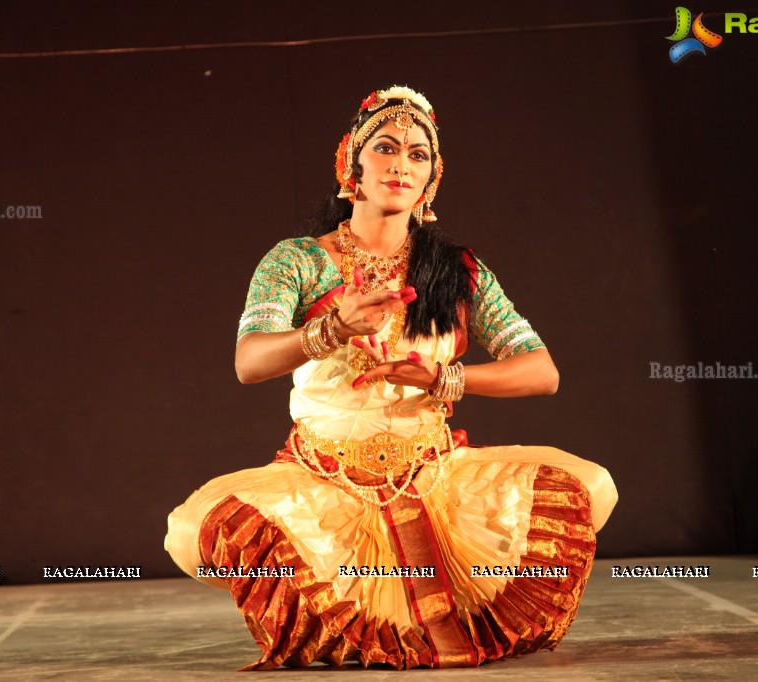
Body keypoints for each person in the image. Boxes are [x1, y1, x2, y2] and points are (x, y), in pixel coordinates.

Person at [165, 85, 617, 670]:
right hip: (325, 480)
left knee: (592, 487)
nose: (401, 164)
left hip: (435, 475)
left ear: (431, 180)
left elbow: (542, 371)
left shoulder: (458, 270)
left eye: (418, 154)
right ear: (352, 162)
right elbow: (248, 362)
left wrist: (446, 379)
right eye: (385, 147)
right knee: (191, 535)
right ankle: (348, 614)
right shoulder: (296, 260)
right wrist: (330, 329)